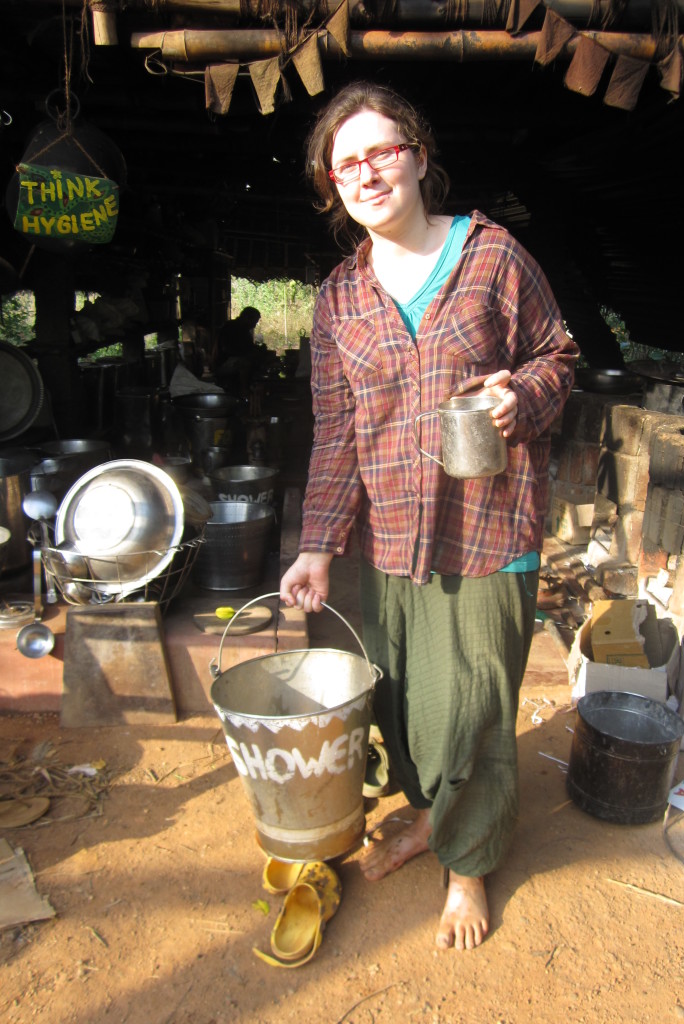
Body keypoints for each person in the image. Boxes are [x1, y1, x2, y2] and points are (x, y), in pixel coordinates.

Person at [279, 82, 579, 952]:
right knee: (408, 702)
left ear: (415, 154)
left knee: (476, 705)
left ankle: (470, 861)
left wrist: (519, 396)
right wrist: (317, 546)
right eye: (346, 165)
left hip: (488, 525)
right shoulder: (338, 299)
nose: (366, 172)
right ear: (331, 188)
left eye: (380, 151)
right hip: (390, 536)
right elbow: (337, 433)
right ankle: (428, 816)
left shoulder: (493, 258)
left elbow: (558, 357)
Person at [213, 305, 268, 392]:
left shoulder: (244, 330)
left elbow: (247, 347)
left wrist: (258, 349)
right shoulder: (230, 327)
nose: (254, 325)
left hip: (233, 359)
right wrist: (250, 352)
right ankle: (244, 391)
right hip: (224, 363)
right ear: (246, 318)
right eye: (254, 322)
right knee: (244, 363)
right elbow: (229, 349)